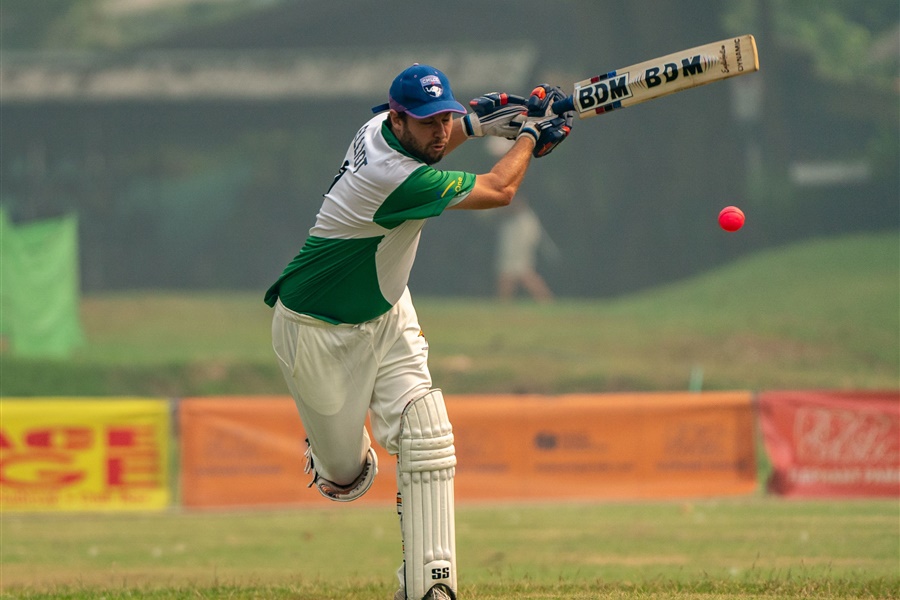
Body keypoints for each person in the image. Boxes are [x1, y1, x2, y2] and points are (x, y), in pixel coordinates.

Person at [264, 64, 574, 600]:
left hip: (387, 308)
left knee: (427, 430)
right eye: (428, 122)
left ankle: (431, 586)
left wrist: (479, 123)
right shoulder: (390, 177)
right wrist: (528, 133)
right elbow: (499, 189)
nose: (439, 131)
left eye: (445, 118)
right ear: (397, 118)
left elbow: (441, 143)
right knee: (348, 476)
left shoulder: (378, 132)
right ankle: (331, 452)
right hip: (316, 329)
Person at [495, 196, 554, 302]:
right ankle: (503, 305)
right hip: (511, 254)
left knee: (524, 275)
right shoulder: (514, 219)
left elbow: (529, 239)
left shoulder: (525, 221)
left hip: (517, 254)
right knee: (507, 277)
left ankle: (546, 299)